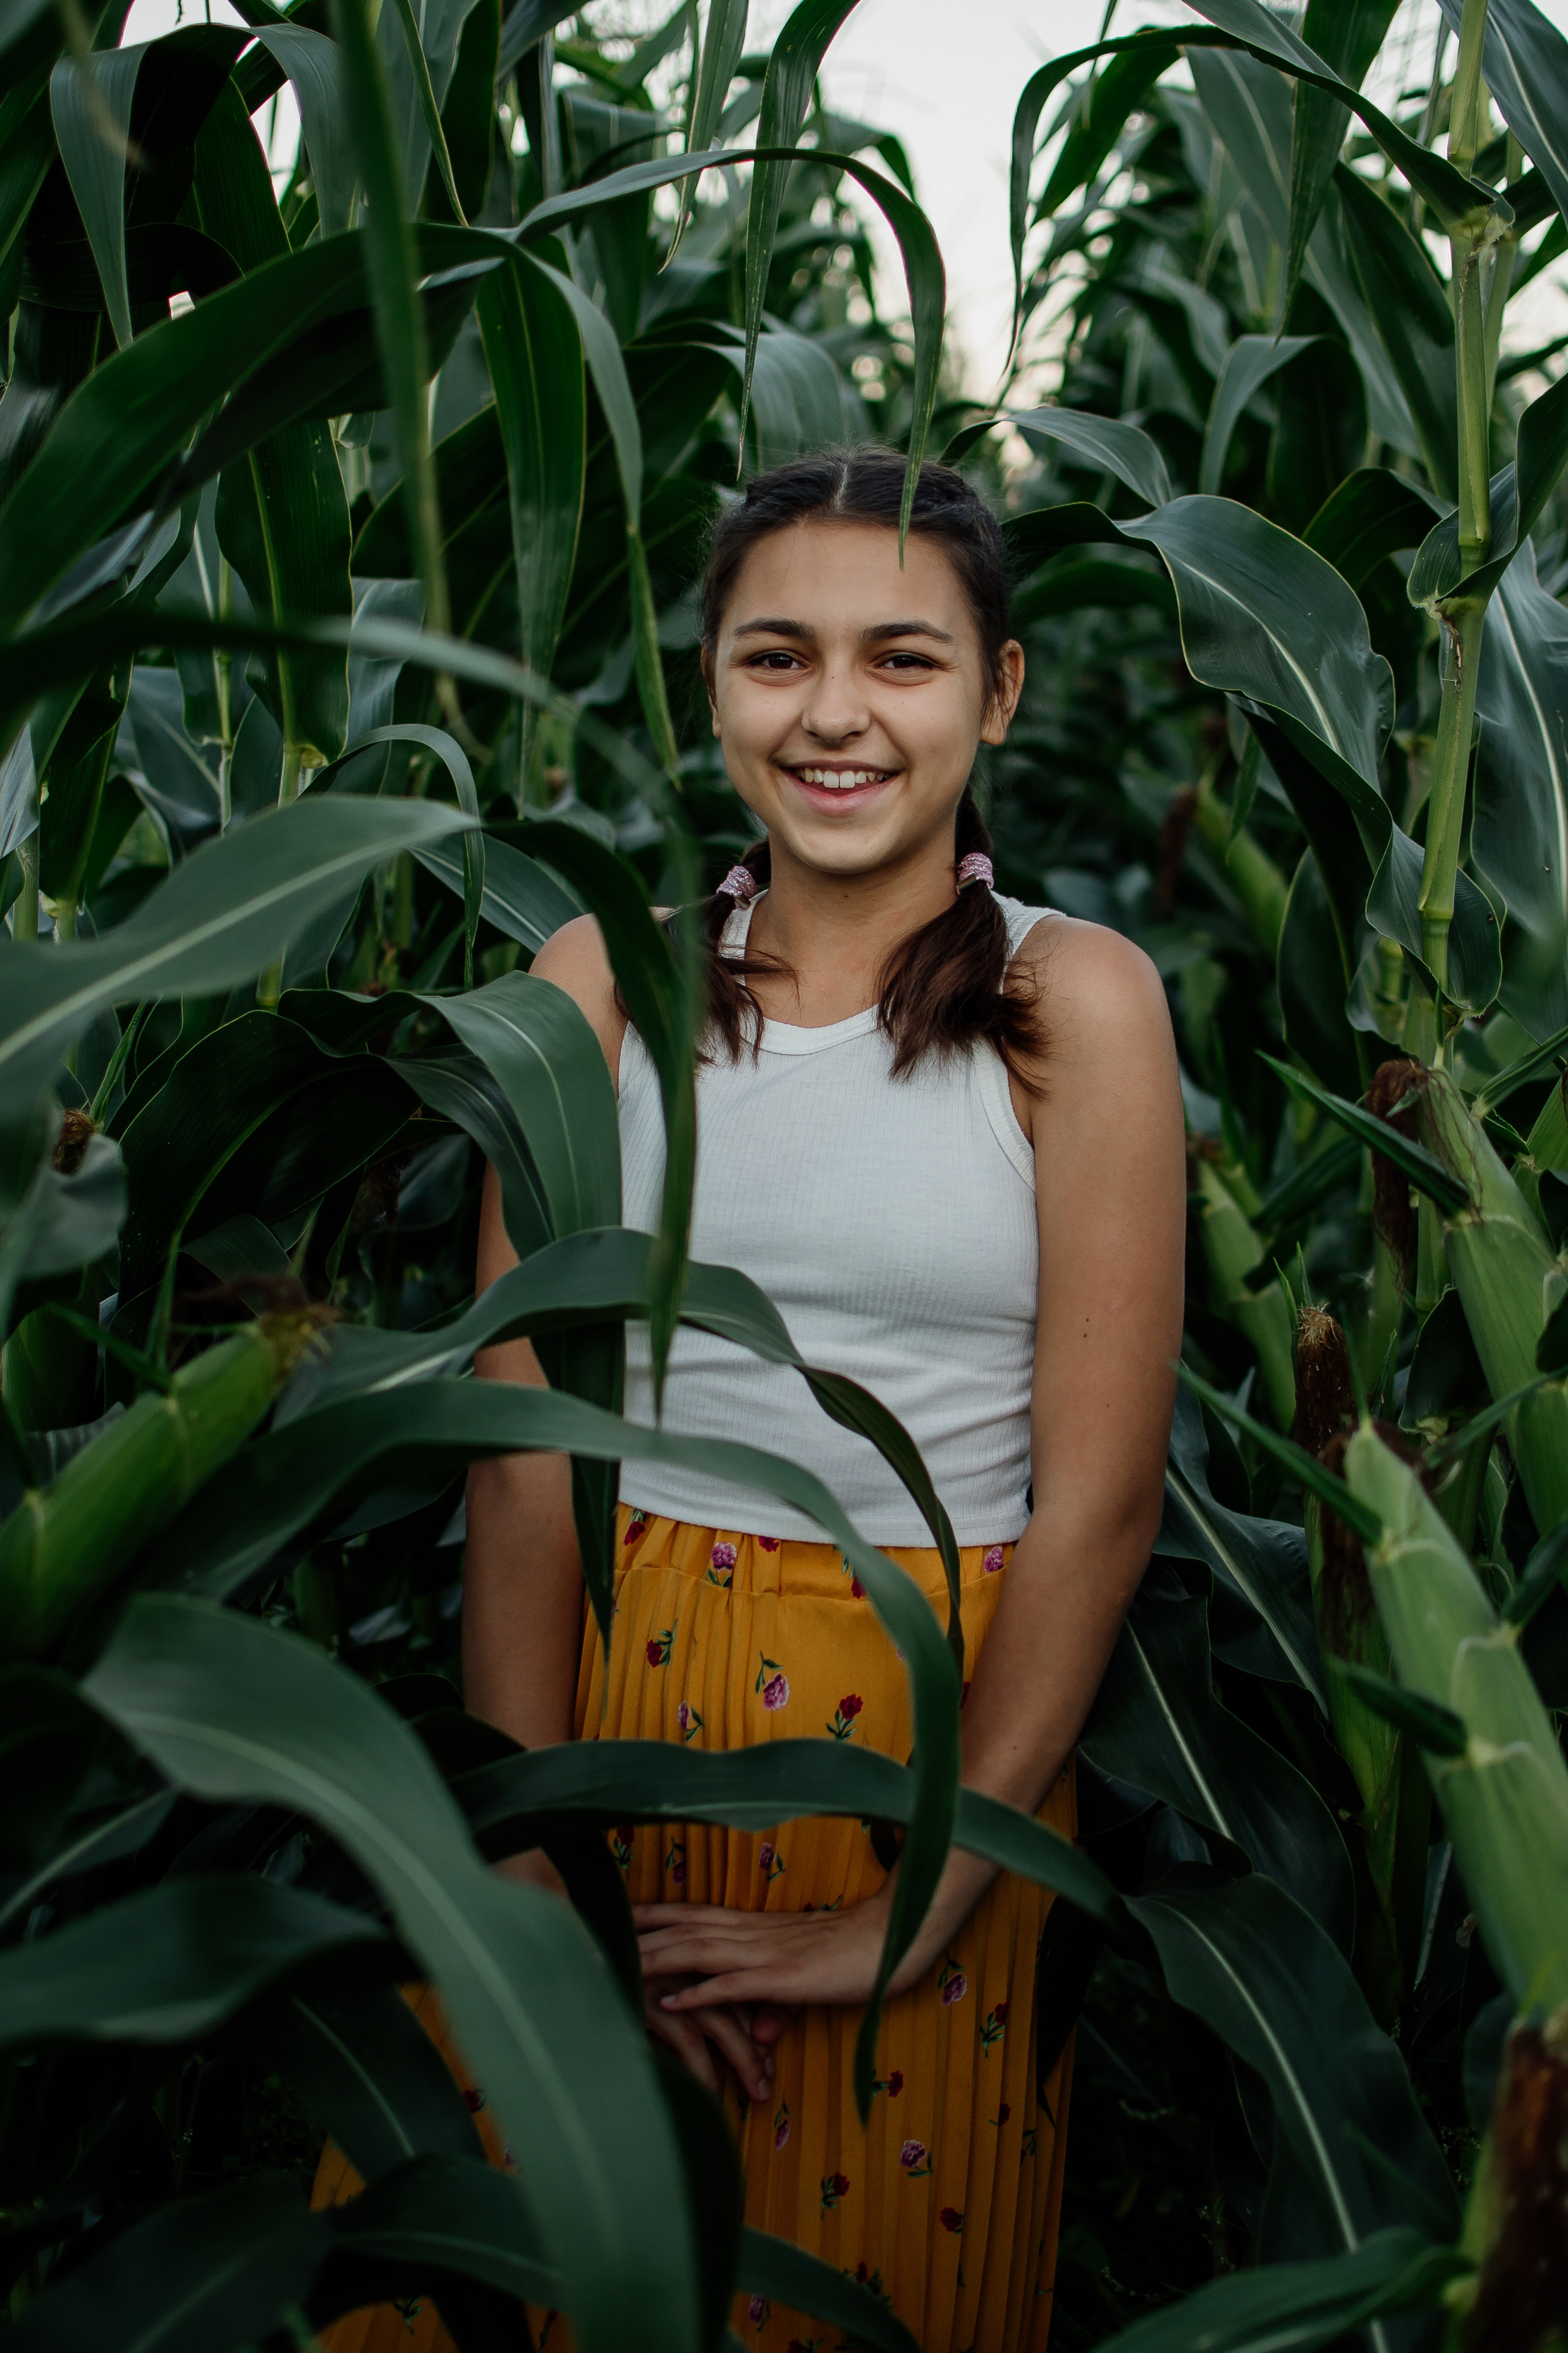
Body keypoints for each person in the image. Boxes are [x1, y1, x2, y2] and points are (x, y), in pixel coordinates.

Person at [321, 446, 1186, 2353]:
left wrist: (923, 1900)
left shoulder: (1079, 1005)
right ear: (709, 683)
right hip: (599, 1725)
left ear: (998, 692)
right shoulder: (595, 986)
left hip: (923, 1754)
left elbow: (1099, 1505)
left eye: (904, 658)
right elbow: (522, 1470)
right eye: (778, 656)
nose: (836, 714)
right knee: (529, 2276)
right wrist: (541, 1880)